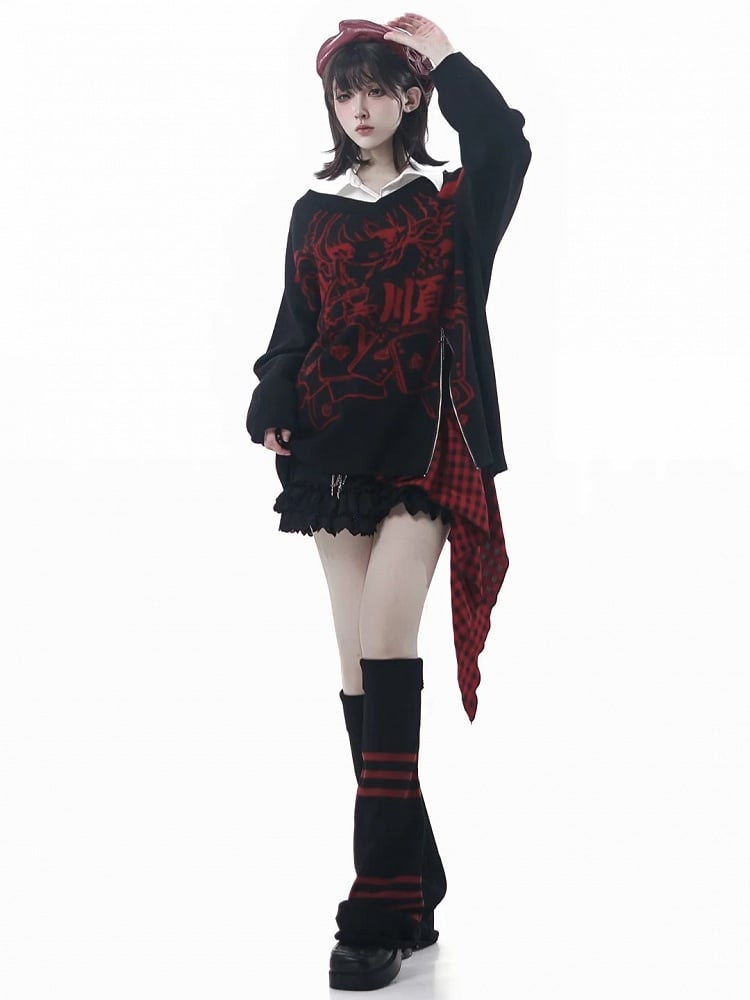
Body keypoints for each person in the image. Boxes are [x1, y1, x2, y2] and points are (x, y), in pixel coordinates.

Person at [245, 13, 531, 991]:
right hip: (330, 455)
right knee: (355, 665)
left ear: (410, 97)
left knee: (384, 642)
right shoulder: (313, 211)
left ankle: (377, 900)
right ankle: (417, 875)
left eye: (378, 88)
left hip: (425, 449)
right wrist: (274, 394)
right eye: (345, 91)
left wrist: (446, 58)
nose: (359, 107)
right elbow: (296, 326)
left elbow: (505, 143)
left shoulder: (453, 205)